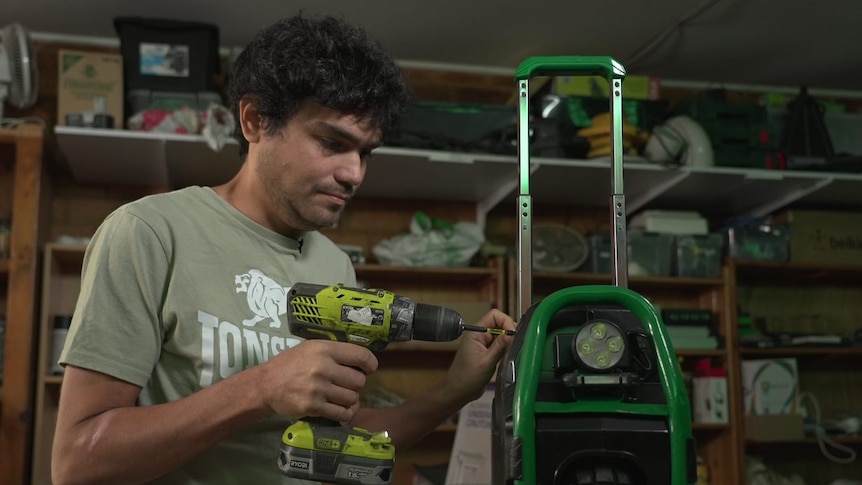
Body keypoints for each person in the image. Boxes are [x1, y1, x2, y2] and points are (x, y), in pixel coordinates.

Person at [51, 13, 517, 485]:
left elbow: (343, 439)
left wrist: (457, 389)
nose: (354, 173)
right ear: (255, 120)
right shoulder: (149, 232)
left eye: (366, 152)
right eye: (332, 142)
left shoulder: (335, 265)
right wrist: (262, 387)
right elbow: (77, 463)